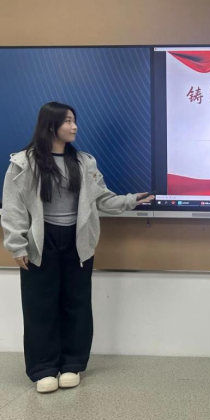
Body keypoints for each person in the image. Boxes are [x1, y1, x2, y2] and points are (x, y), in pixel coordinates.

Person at [1, 102, 154, 393]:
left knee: (77, 304)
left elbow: (102, 199)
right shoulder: (23, 163)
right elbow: (13, 208)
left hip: (78, 241)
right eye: (68, 121)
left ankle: (72, 364)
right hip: (40, 242)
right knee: (39, 306)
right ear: (50, 125)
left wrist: (131, 200)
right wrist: (17, 245)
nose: (74, 127)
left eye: (74, 121)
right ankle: (44, 369)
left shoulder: (84, 162)